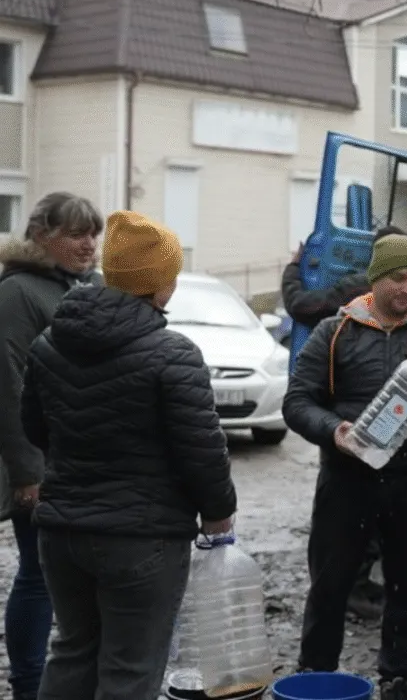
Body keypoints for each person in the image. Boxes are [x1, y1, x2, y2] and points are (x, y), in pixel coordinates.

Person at [20, 210, 238, 700]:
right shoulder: (173, 353)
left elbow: (34, 427)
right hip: (143, 540)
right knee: (129, 669)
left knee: (73, 651)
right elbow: (202, 449)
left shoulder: (49, 342)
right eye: (172, 276)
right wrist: (219, 514)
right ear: (156, 283)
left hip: (62, 534)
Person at [283, 233, 407, 700]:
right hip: (346, 480)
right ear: (375, 279)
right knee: (330, 584)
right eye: (397, 279)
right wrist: (333, 430)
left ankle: (397, 679)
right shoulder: (335, 331)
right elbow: (297, 401)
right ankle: (315, 673)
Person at [0, 192, 104, 700]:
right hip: (42, 464)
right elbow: (8, 384)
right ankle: (27, 685)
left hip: (88, 460)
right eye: (76, 233)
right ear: (43, 236)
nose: (89, 244)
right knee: (39, 573)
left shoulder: (91, 287)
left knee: (81, 574)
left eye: (93, 233)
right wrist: (26, 472)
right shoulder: (18, 292)